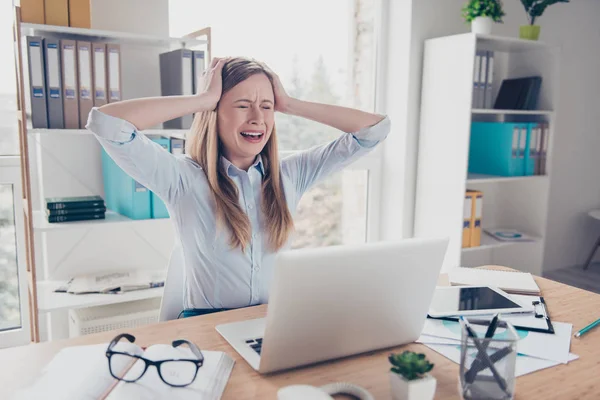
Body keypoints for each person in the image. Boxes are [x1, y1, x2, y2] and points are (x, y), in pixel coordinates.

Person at [86, 56, 391, 318]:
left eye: (267, 107)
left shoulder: (291, 174)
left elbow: (374, 131)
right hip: (210, 330)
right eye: (243, 105)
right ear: (215, 114)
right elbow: (106, 124)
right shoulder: (182, 178)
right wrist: (201, 101)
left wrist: (290, 104)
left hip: (273, 325)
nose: (258, 118)